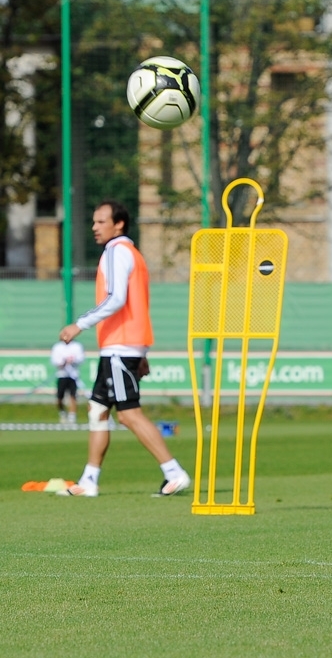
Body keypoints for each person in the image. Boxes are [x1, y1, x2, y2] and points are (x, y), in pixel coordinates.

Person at [57, 199, 190, 498]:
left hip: (120, 346)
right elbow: (136, 305)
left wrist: (80, 324)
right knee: (98, 410)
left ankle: (174, 472)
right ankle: (89, 481)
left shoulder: (117, 251)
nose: (95, 227)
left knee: (129, 413)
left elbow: (117, 299)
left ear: (119, 224)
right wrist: (142, 352)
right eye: (93, 221)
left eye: (101, 221)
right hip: (124, 346)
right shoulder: (132, 254)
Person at [50, 337, 85, 423]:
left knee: (73, 396)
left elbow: (81, 358)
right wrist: (62, 362)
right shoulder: (57, 347)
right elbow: (54, 360)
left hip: (73, 375)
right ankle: (62, 413)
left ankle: (72, 417)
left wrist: (73, 360)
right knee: (59, 398)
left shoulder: (77, 346)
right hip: (62, 375)